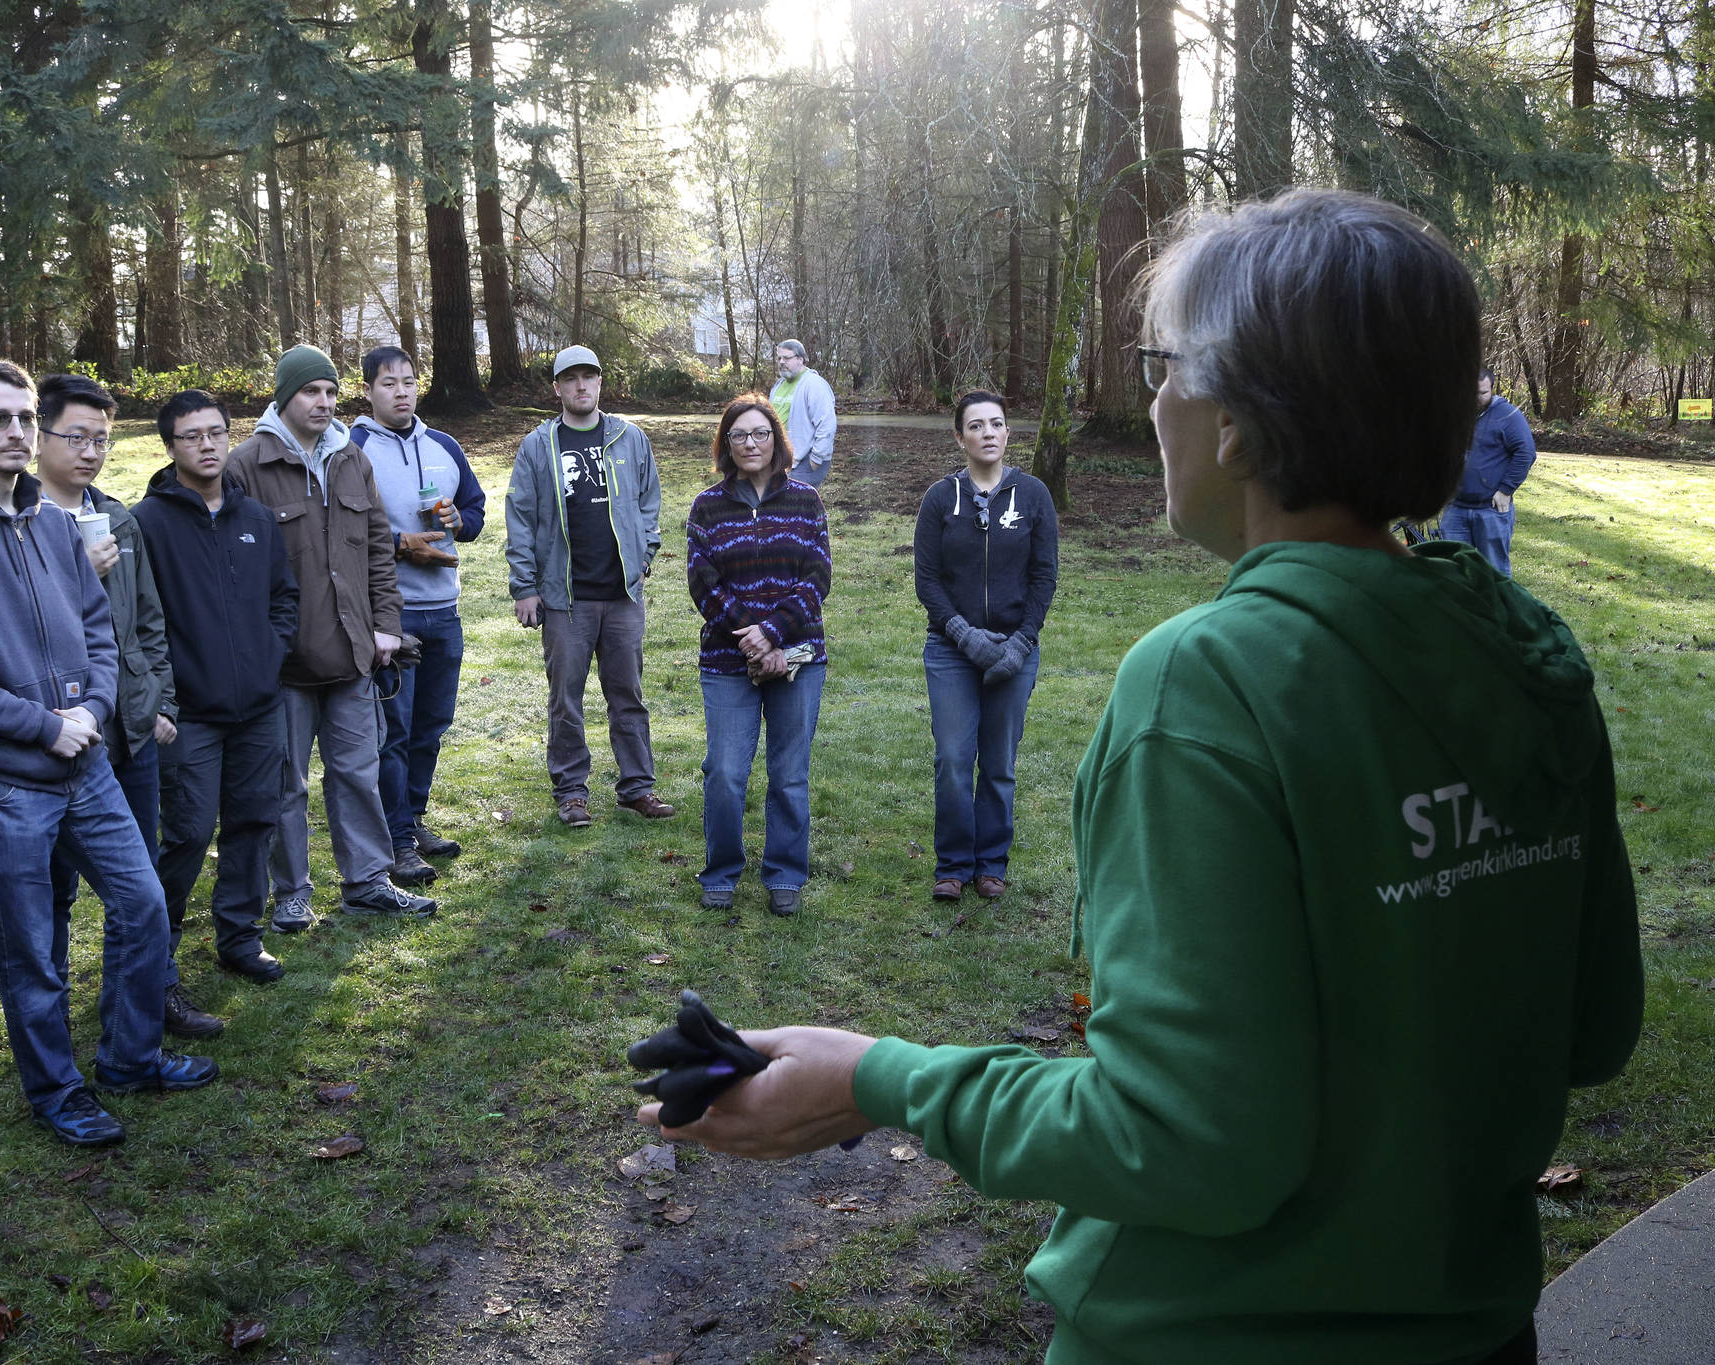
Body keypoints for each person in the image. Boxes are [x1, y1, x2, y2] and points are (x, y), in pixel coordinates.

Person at [642, 190, 1642, 1365]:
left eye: (1162, 370)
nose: (1152, 401)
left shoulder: (1209, 684)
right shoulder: (1526, 654)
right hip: (1474, 1328)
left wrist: (881, 1079)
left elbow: (1180, 1143)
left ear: (1234, 423)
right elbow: (1591, 1027)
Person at [0, 360, 217, 1149]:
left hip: (89, 764)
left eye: (25, 418)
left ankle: (129, 1058)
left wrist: (94, 708)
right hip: (8, 783)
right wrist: (43, 725)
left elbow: (99, 629)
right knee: (32, 949)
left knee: (141, 906)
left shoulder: (53, 522)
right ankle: (56, 1091)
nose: (15, 433)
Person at [230, 345, 436, 922]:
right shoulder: (246, 464)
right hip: (284, 663)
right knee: (284, 783)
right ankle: (292, 890)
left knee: (356, 772)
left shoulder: (351, 459)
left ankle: (368, 879)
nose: (323, 402)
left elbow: (376, 548)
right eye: (309, 392)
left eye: (328, 391)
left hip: (354, 654)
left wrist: (386, 627)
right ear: (284, 397)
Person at [30, 374, 198, 1032]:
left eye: (101, 438)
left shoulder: (117, 516)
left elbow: (149, 623)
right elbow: (26, 633)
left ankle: (156, 994)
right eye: (76, 437)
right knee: (53, 893)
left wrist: (160, 702)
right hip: (52, 737)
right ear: (39, 437)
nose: (90, 451)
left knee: (141, 886)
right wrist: (77, 572)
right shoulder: (18, 526)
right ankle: (52, 1020)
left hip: (128, 732)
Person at [134, 390, 299, 1001]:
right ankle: (159, 953)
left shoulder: (255, 518)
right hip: (189, 715)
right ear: (170, 446)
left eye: (216, 433)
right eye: (191, 436)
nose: (207, 445)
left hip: (258, 706)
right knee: (187, 830)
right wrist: (164, 693)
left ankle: (239, 935)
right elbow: (135, 620)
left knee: (254, 821)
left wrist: (270, 651)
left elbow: (284, 597)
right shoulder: (146, 524)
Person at [505, 345, 675, 827]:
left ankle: (638, 786)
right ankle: (572, 792)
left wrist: (645, 555)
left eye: (589, 377)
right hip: (565, 599)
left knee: (628, 694)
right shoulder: (539, 446)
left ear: (601, 383)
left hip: (622, 596)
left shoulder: (629, 437)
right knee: (566, 699)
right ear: (557, 388)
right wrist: (525, 587)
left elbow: (649, 501)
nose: (581, 386)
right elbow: (519, 518)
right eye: (571, 378)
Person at [685, 395, 831, 917]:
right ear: (726, 444)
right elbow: (703, 582)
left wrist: (773, 634)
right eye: (739, 435)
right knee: (724, 772)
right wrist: (748, 637)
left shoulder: (807, 501)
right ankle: (721, 871)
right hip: (727, 661)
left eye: (761, 433)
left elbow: (818, 578)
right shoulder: (707, 506)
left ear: (777, 440)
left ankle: (785, 873)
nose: (751, 443)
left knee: (789, 774)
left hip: (799, 658)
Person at [348, 346, 486, 887]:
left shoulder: (444, 446)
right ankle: (397, 841)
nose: (401, 391)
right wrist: (400, 544)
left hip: (443, 611)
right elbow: (341, 526)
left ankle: (414, 819)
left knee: (432, 724)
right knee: (395, 730)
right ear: (368, 391)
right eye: (388, 383)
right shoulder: (352, 448)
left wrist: (458, 517)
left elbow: (474, 514)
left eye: (408, 381)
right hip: (390, 614)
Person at [912, 392, 1058, 902]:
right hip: (952, 649)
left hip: (1015, 651)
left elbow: (1044, 577)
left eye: (997, 423)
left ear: (1007, 433)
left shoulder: (1035, 494)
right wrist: (964, 635)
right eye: (976, 426)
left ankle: (991, 863)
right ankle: (952, 865)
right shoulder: (940, 498)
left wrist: (1020, 643)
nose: (988, 433)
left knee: (999, 762)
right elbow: (927, 581)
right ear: (960, 437)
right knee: (953, 758)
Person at [1438, 367, 1536, 575]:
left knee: (1494, 574)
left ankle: (1497, 608)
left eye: (1482, 393)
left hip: (1490, 510)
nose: (1476, 398)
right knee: (1452, 571)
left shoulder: (1508, 416)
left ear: (1492, 389)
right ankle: (1460, 608)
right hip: (1456, 509)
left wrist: (1506, 490)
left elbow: (1526, 452)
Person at [771, 340, 837, 489]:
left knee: (793, 504)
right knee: (782, 506)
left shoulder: (814, 385)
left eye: (786, 358)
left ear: (800, 359)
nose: (781, 362)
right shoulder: (778, 385)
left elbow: (827, 424)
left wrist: (815, 459)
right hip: (782, 460)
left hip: (806, 460)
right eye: (779, 358)